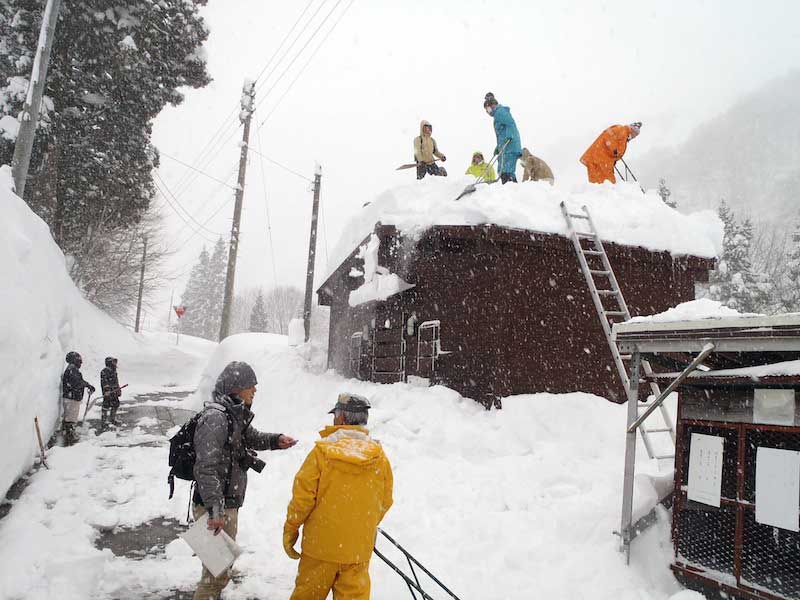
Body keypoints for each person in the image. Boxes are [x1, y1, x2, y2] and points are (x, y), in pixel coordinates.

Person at [192, 361, 297, 600]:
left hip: (225, 504)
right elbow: (205, 468)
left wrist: (276, 440)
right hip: (213, 507)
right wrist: (215, 510)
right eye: (251, 385)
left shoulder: (232, 415)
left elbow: (251, 437)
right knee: (214, 577)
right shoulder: (216, 418)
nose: (255, 390)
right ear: (236, 387)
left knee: (220, 569)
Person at [284, 393, 393, 600]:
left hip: (320, 549)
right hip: (357, 551)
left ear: (341, 418)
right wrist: (360, 525)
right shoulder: (379, 458)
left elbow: (302, 499)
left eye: (335, 416)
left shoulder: (321, 453)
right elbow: (385, 500)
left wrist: (291, 529)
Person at [483, 92, 522, 184]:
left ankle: (511, 187)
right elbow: (502, 133)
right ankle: (510, 187)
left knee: (506, 172)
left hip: (509, 146)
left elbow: (510, 124)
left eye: (487, 109)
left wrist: (510, 136)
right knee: (504, 171)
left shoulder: (500, 112)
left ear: (491, 106)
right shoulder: (498, 114)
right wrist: (498, 147)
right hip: (506, 146)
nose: (487, 112)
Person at [61, 351, 94, 445]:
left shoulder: (72, 369)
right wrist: (86, 385)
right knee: (71, 418)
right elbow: (77, 382)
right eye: (79, 360)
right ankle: (69, 437)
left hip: (72, 396)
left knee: (70, 417)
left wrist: (87, 385)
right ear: (74, 360)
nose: (81, 362)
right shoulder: (72, 369)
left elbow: (79, 381)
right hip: (72, 398)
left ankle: (66, 434)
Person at [100, 356, 122, 430]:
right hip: (108, 392)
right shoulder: (105, 371)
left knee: (116, 404)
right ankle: (104, 422)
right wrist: (107, 390)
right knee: (106, 406)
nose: (115, 364)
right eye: (113, 362)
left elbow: (116, 381)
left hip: (114, 391)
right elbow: (104, 382)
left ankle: (112, 419)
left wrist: (118, 389)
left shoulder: (114, 371)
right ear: (109, 363)